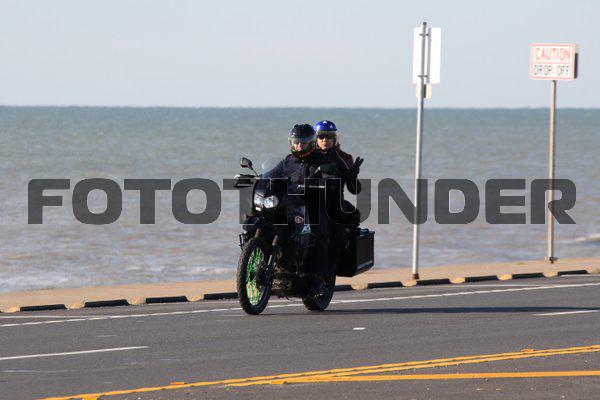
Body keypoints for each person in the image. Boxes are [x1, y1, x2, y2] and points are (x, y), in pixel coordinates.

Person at [264, 124, 344, 296]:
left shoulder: (322, 161)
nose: (299, 146)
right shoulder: (288, 161)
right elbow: (270, 175)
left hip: (313, 204)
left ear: (311, 143)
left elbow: (331, 176)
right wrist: (256, 179)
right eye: (296, 143)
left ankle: (317, 277)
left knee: (318, 232)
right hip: (291, 204)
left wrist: (327, 181)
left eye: (303, 143)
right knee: (267, 220)